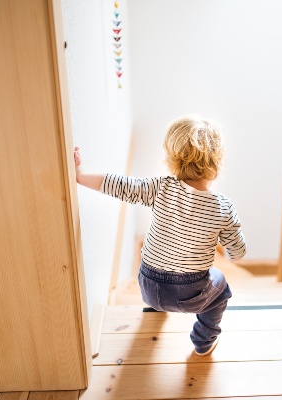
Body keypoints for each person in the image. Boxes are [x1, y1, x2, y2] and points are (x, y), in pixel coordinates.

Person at [74, 115, 246, 356]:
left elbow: (121, 184)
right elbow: (237, 254)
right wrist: (226, 234)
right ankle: (204, 341)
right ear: (217, 162)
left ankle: (156, 308)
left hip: (147, 285)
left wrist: (80, 176)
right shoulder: (223, 208)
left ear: (172, 158)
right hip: (189, 296)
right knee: (221, 288)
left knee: (159, 267)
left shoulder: (160, 187)